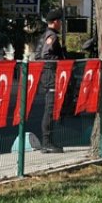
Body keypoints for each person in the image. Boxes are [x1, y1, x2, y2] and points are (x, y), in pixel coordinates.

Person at [36, 9, 67, 153]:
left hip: (47, 73)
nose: (61, 24)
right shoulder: (51, 36)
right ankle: (46, 142)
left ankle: (48, 142)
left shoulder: (46, 35)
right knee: (49, 108)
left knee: (50, 108)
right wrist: (60, 61)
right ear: (55, 22)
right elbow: (45, 56)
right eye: (60, 21)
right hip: (50, 74)